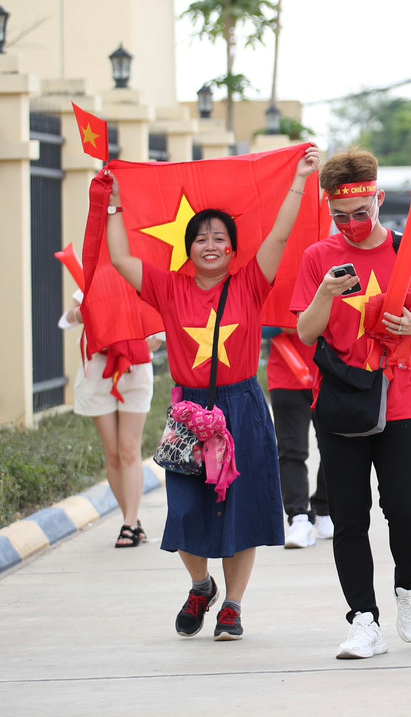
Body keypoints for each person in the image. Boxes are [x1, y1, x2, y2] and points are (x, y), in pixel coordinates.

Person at [105, 146, 320, 641]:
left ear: (231, 249)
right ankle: (201, 585)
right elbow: (119, 257)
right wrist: (114, 204)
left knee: (241, 510)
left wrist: (300, 180)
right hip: (189, 412)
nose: (209, 243)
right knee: (184, 511)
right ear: (187, 249)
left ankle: (234, 606)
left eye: (219, 238)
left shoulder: (249, 284)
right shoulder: (167, 287)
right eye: (200, 237)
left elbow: (282, 234)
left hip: (242, 407)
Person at [293, 149, 411, 659]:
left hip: (400, 396)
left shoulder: (410, 249)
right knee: (349, 515)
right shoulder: (318, 257)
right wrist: (325, 296)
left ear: (379, 200)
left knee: (405, 508)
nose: (353, 225)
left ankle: (410, 590)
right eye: (341, 217)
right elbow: (304, 331)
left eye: (361, 213)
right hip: (340, 400)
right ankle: (363, 620)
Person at [58, 293, 155, 548]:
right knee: (113, 453)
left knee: (129, 448)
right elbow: (66, 320)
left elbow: (157, 340)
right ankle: (131, 520)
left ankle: (130, 524)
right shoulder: (94, 280)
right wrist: (88, 314)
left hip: (135, 370)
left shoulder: (144, 279)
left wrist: (128, 334)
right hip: (97, 373)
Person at [267, 330, 333, 548]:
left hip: (329, 373)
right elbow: (261, 325)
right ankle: (298, 517)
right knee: (291, 451)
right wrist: (284, 323)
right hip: (287, 374)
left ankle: (324, 508)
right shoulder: (275, 293)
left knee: (335, 448)